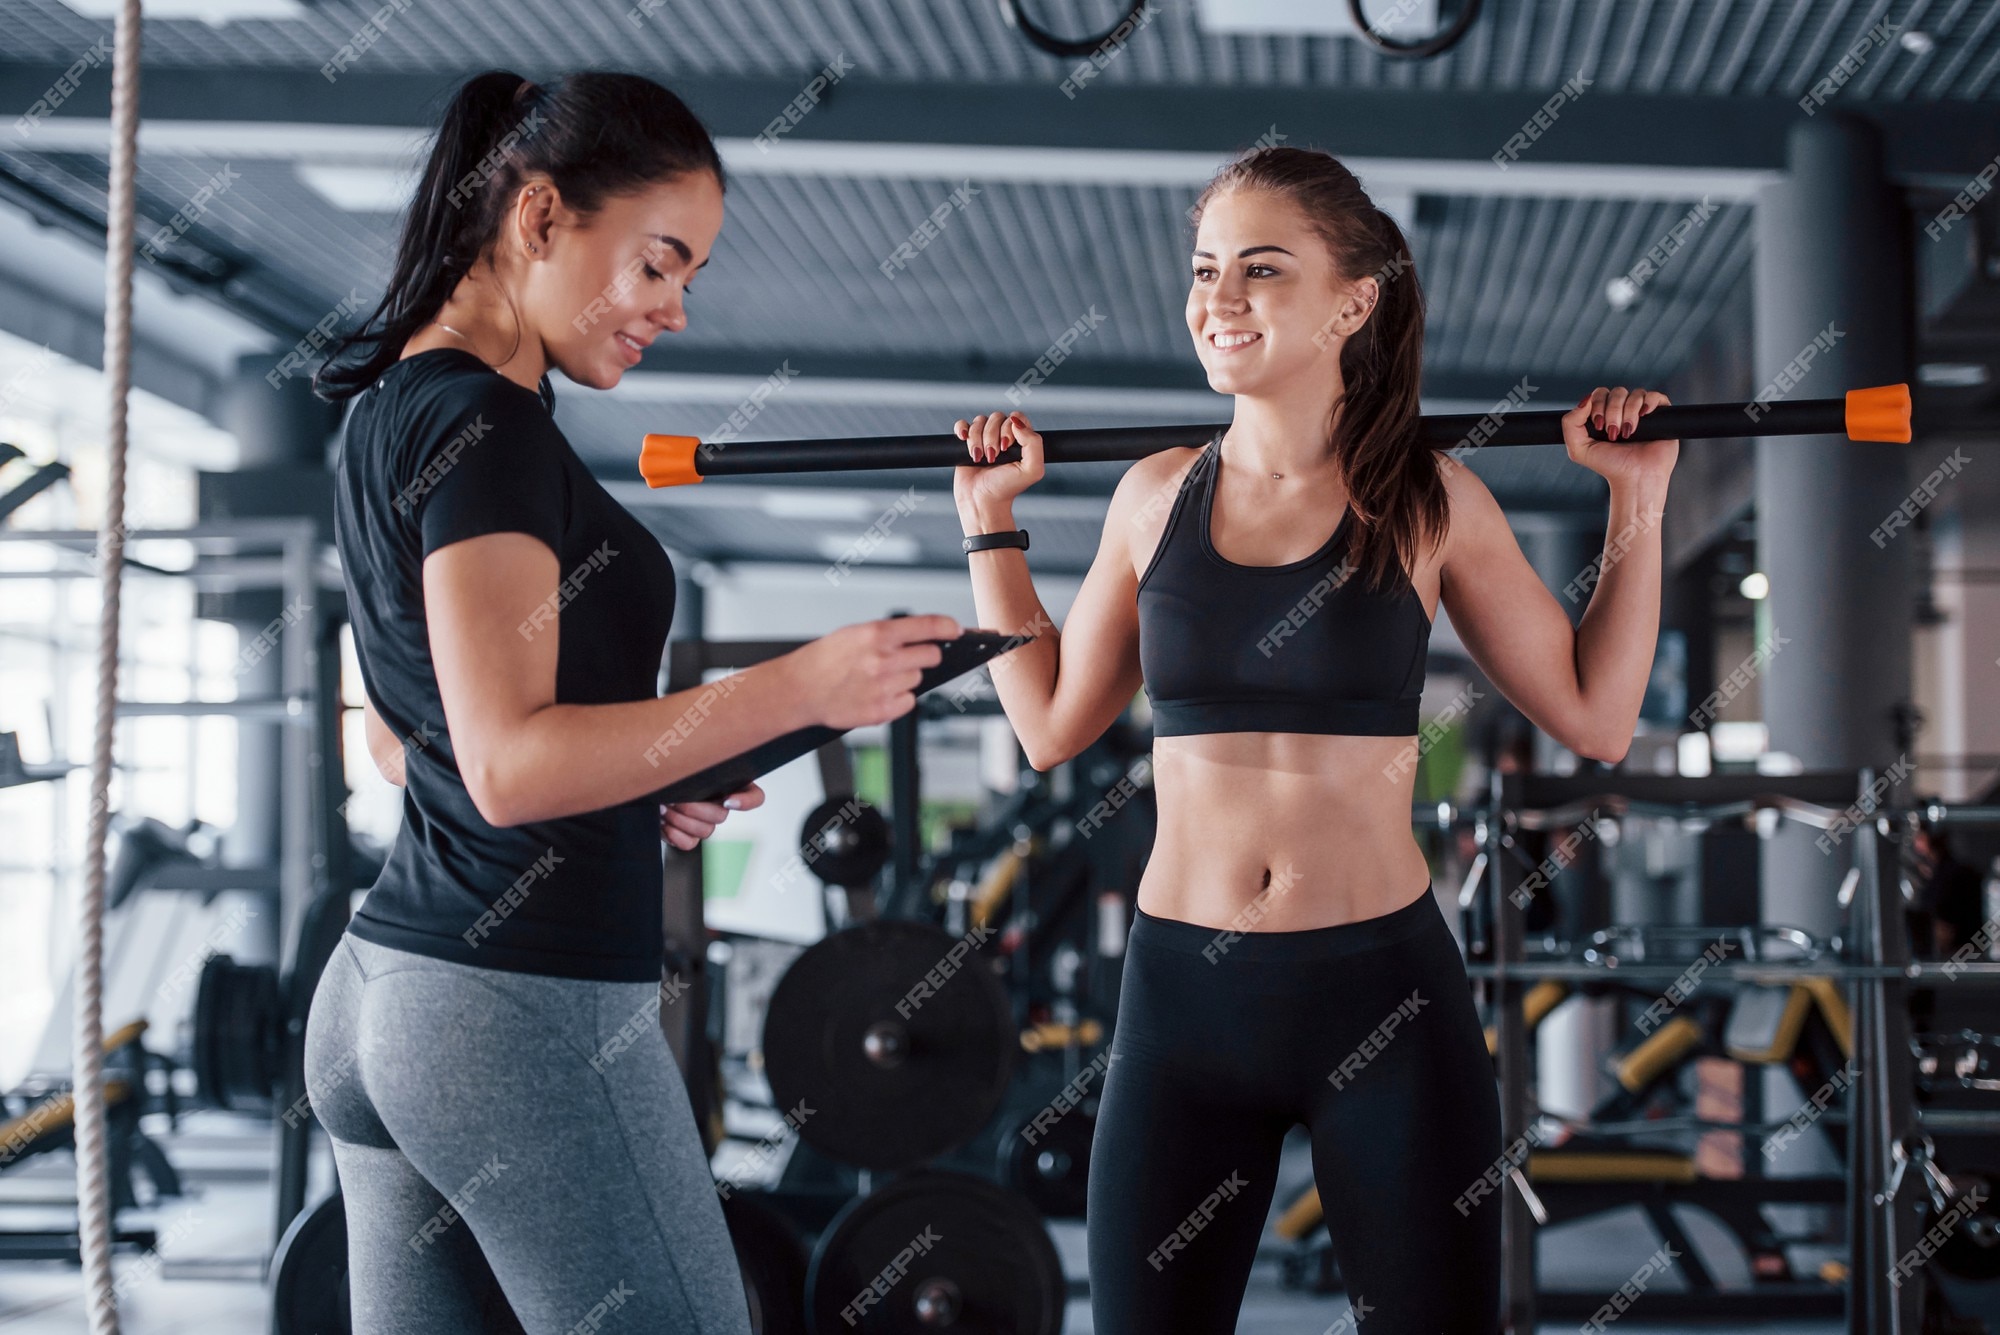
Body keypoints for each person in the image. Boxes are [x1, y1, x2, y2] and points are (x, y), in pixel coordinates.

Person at [949, 145, 1677, 1334]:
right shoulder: (1152, 498)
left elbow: (1594, 716)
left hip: (1378, 997)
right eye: (1202, 269)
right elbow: (1043, 725)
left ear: (1353, 301)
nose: (1215, 298)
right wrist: (990, 529)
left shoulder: (1429, 500)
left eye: (1259, 268)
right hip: (1183, 1003)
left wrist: (1634, 499)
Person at [302, 69, 958, 1334]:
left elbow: (402, 739)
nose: (672, 307)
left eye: (688, 278)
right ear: (540, 217)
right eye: (656, 264)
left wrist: (640, 781)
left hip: (390, 991)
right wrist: (801, 682)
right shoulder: (486, 430)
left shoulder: (394, 408)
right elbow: (503, 768)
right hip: (511, 1008)